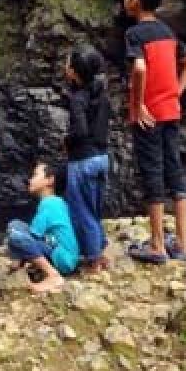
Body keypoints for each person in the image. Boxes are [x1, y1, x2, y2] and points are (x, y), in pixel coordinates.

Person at [122, 0, 186, 264]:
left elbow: (139, 68)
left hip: (149, 116)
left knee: (152, 174)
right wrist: (175, 92)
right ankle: (182, 243)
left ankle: (157, 245)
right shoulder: (168, 32)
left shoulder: (135, 34)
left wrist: (138, 104)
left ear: (135, 0)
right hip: (170, 111)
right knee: (174, 170)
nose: (125, 0)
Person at [63, 45, 111, 272]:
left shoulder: (78, 98)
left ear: (74, 72)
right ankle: (100, 250)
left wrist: (67, 140)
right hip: (102, 157)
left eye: (67, 64)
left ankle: (93, 259)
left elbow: (80, 131)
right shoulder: (101, 93)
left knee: (82, 211)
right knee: (95, 209)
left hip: (83, 160)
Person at [6, 160, 79, 293]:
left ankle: (53, 276)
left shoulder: (49, 204)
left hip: (63, 258)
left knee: (16, 238)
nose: (30, 180)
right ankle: (21, 264)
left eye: (35, 175)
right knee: (15, 225)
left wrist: (18, 247)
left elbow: (34, 234)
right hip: (60, 251)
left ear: (50, 180)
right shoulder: (56, 201)